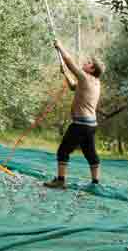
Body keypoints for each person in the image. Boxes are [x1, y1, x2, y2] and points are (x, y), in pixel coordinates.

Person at [44, 40, 105, 189]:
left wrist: (60, 46)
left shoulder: (85, 78)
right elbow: (73, 87)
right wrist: (65, 73)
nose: (86, 62)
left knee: (63, 151)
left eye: (89, 63)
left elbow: (70, 62)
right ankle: (95, 182)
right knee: (90, 153)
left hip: (80, 125)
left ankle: (60, 180)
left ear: (92, 69)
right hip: (91, 125)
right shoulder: (94, 82)